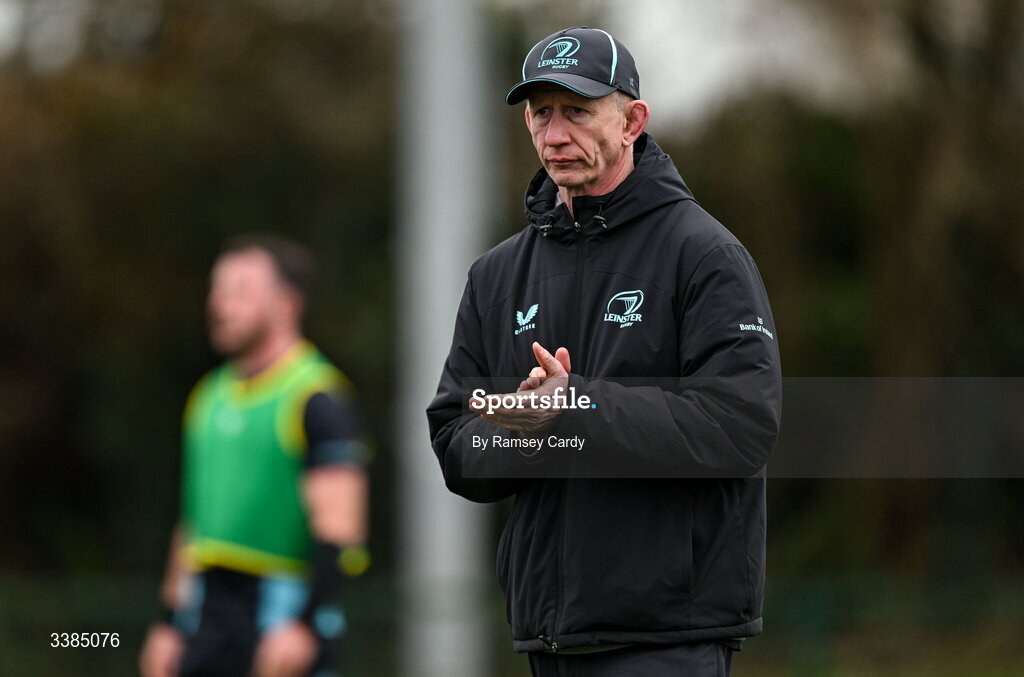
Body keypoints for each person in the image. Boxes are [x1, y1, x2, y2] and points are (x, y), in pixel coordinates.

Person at [426, 26, 782, 676]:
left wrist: (577, 408)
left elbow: (741, 423)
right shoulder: (496, 275)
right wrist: (528, 428)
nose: (555, 133)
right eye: (541, 113)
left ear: (632, 120)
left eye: (578, 111)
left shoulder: (704, 254)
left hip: (668, 638)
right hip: (546, 642)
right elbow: (455, 440)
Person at [139, 234, 370, 677]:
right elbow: (193, 524)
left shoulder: (316, 397)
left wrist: (302, 627)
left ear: (288, 303)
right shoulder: (207, 397)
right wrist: (168, 624)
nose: (221, 304)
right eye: (217, 289)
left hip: (278, 615)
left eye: (241, 290)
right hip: (208, 615)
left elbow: (341, 532)